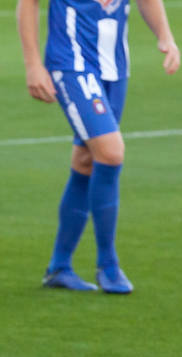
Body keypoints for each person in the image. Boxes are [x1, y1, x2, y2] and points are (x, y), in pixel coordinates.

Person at [16, 0, 178, 293]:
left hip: (115, 69)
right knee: (111, 152)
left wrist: (165, 35)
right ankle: (109, 265)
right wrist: (32, 64)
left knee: (86, 161)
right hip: (72, 65)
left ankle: (59, 267)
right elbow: (28, 2)